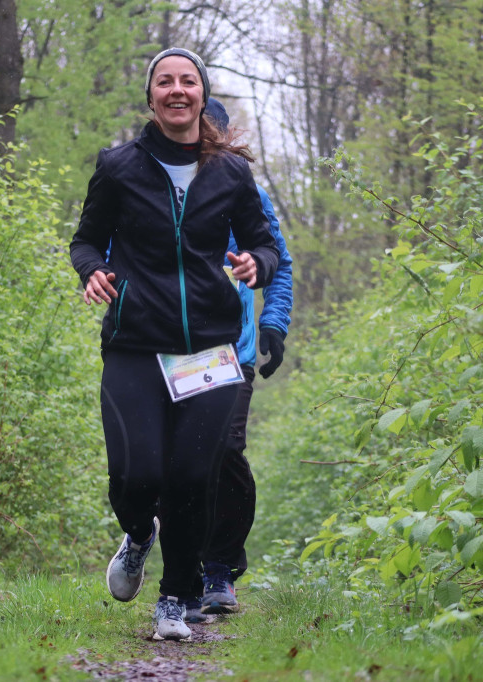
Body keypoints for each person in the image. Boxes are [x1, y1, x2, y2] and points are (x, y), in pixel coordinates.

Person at [68, 47, 280, 642]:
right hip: (135, 343)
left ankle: (176, 598)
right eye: (166, 81)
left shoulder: (230, 173)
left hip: (208, 348)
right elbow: (85, 241)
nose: (177, 90)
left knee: (192, 475)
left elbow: (265, 244)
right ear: (151, 96)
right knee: (135, 474)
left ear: (201, 95)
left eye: (188, 81)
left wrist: (255, 265)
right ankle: (139, 534)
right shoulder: (118, 167)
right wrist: (92, 271)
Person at [184, 98, 294, 621]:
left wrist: (274, 322)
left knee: (224, 451)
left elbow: (279, 261)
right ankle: (183, 572)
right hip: (171, 348)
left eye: (212, 135)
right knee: (180, 461)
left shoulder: (247, 191)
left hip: (233, 351)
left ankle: (219, 569)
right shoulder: (159, 187)